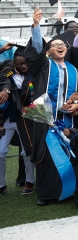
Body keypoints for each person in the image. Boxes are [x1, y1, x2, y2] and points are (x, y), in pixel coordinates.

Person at [25, 8, 78, 206]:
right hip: (46, 120)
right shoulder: (44, 65)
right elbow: (33, 53)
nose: (60, 47)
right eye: (55, 45)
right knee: (47, 154)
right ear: (48, 51)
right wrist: (36, 26)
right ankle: (46, 194)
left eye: (62, 45)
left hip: (67, 119)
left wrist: (77, 104)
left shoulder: (73, 70)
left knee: (67, 153)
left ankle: (66, 191)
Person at [0, 45, 36, 196]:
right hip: (7, 119)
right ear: (13, 63)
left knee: (26, 151)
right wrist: (1, 50)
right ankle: (1, 184)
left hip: (26, 118)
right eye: (20, 63)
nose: (24, 66)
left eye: (26, 63)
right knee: (0, 152)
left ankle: (29, 181)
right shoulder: (5, 72)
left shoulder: (35, 73)